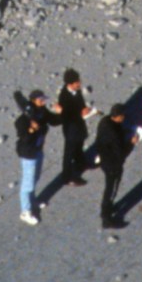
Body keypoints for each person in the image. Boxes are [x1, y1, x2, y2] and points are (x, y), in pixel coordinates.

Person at [93, 102, 136, 228]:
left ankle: (107, 209)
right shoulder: (114, 134)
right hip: (113, 164)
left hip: (105, 159)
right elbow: (121, 152)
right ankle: (106, 216)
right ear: (118, 116)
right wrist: (132, 143)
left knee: (109, 187)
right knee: (111, 188)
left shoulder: (105, 122)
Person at [13, 90, 51, 225]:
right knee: (27, 184)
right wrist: (31, 129)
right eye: (41, 99)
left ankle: (32, 200)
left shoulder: (40, 112)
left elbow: (51, 120)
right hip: (29, 154)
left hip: (38, 150)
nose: (44, 102)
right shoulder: (23, 121)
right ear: (34, 100)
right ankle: (25, 211)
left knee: (35, 177)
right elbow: (24, 138)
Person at [54, 70, 93, 192]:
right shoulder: (64, 96)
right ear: (70, 83)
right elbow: (66, 115)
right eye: (77, 82)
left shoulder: (77, 91)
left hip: (79, 126)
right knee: (69, 152)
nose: (79, 83)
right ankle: (66, 177)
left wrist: (84, 109)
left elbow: (80, 104)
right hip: (71, 129)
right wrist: (80, 113)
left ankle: (81, 163)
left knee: (79, 146)